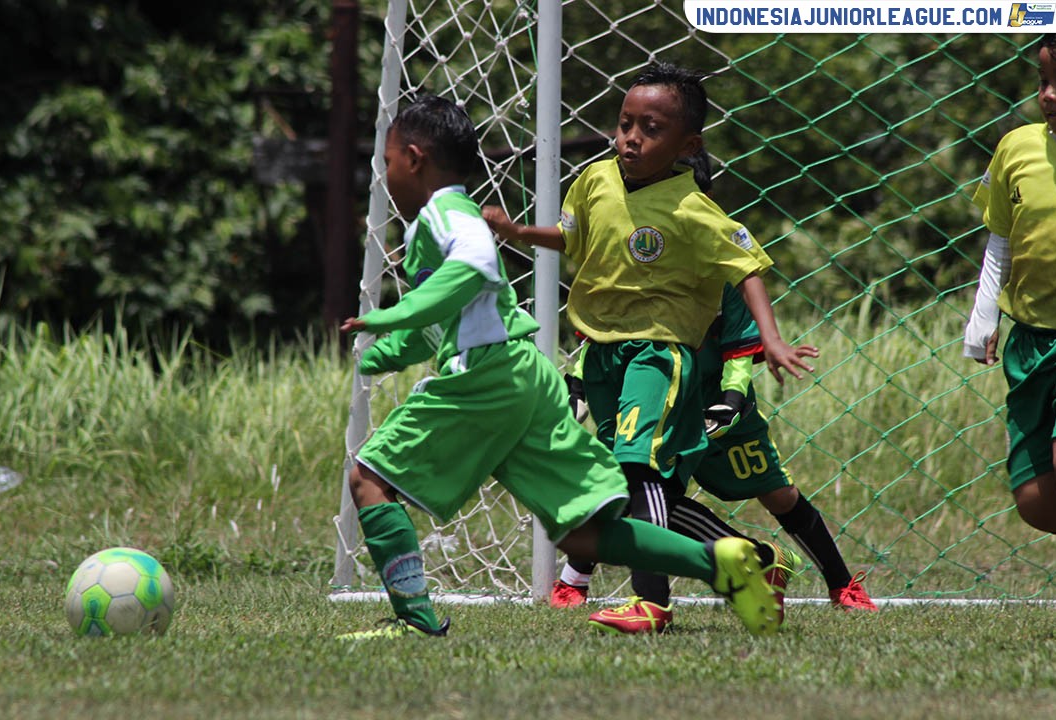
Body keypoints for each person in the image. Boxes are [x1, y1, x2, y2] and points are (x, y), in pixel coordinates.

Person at [336, 94, 784, 639]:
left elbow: (475, 266)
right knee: (583, 534)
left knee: (369, 481)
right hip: (525, 377)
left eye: (385, 162)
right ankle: (721, 562)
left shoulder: (446, 212)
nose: (384, 175)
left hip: (486, 377)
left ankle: (414, 621)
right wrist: (390, 348)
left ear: (413, 158)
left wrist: (396, 312)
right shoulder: (454, 218)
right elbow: (448, 314)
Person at [482, 62, 814, 634]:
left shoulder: (692, 209)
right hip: (603, 351)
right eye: (625, 123)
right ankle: (758, 562)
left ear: (687, 144)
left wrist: (773, 340)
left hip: (658, 355)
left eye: (651, 128)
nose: (631, 138)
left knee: (640, 475)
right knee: (620, 482)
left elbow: (748, 268)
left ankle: (652, 602)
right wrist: (517, 233)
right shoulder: (593, 179)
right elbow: (571, 237)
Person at [551, 285, 878, 617]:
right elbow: (607, 332)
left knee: (778, 493)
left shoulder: (720, 268)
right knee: (634, 479)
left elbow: (740, 344)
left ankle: (841, 583)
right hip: (660, 385)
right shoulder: (641, 264)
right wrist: (577, 380)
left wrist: (733, 398)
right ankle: (576, 582)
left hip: (716, 398)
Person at [964, 33, 1056, 535]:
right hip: (1030, 340)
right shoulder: (1016, 148)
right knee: (1035, 501)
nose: (1049, 95)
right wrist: (984, 316)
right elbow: (1001, 238)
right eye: (1044, 81)